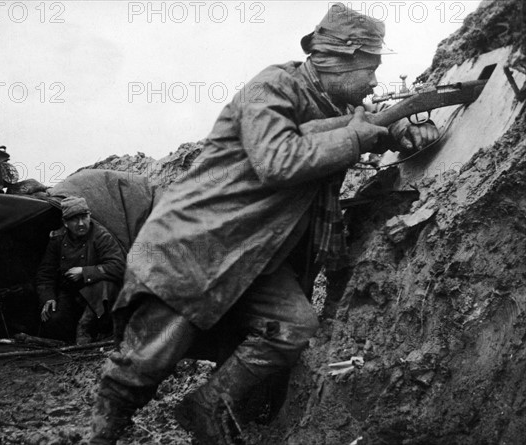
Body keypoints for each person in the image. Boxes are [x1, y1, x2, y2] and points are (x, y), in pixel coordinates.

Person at [89, 3, 440, 444]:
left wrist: (397, 132)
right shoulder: (272, 86)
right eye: (369, 69)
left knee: (293, 327)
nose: (373, 81)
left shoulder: (329, 102)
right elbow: (278, 160)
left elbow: (331, 133)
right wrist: (358, 135)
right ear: (342, 59)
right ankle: (101, 434)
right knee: (150, 357)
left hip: (255, 253)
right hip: (200, 241)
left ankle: (209, 405)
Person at [37, 196, 125, 345]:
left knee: (106, 286)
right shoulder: (58, 239)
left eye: (84, 217)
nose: (81, 223)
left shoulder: (101, 236)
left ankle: (88, 329)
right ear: (65, 223)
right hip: (69, 291)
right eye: (74, 220)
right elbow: (45, 273)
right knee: (52, 320)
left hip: (96, 293)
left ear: (89, 216)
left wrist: (84, 272)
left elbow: (118, 266)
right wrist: (48, 297)